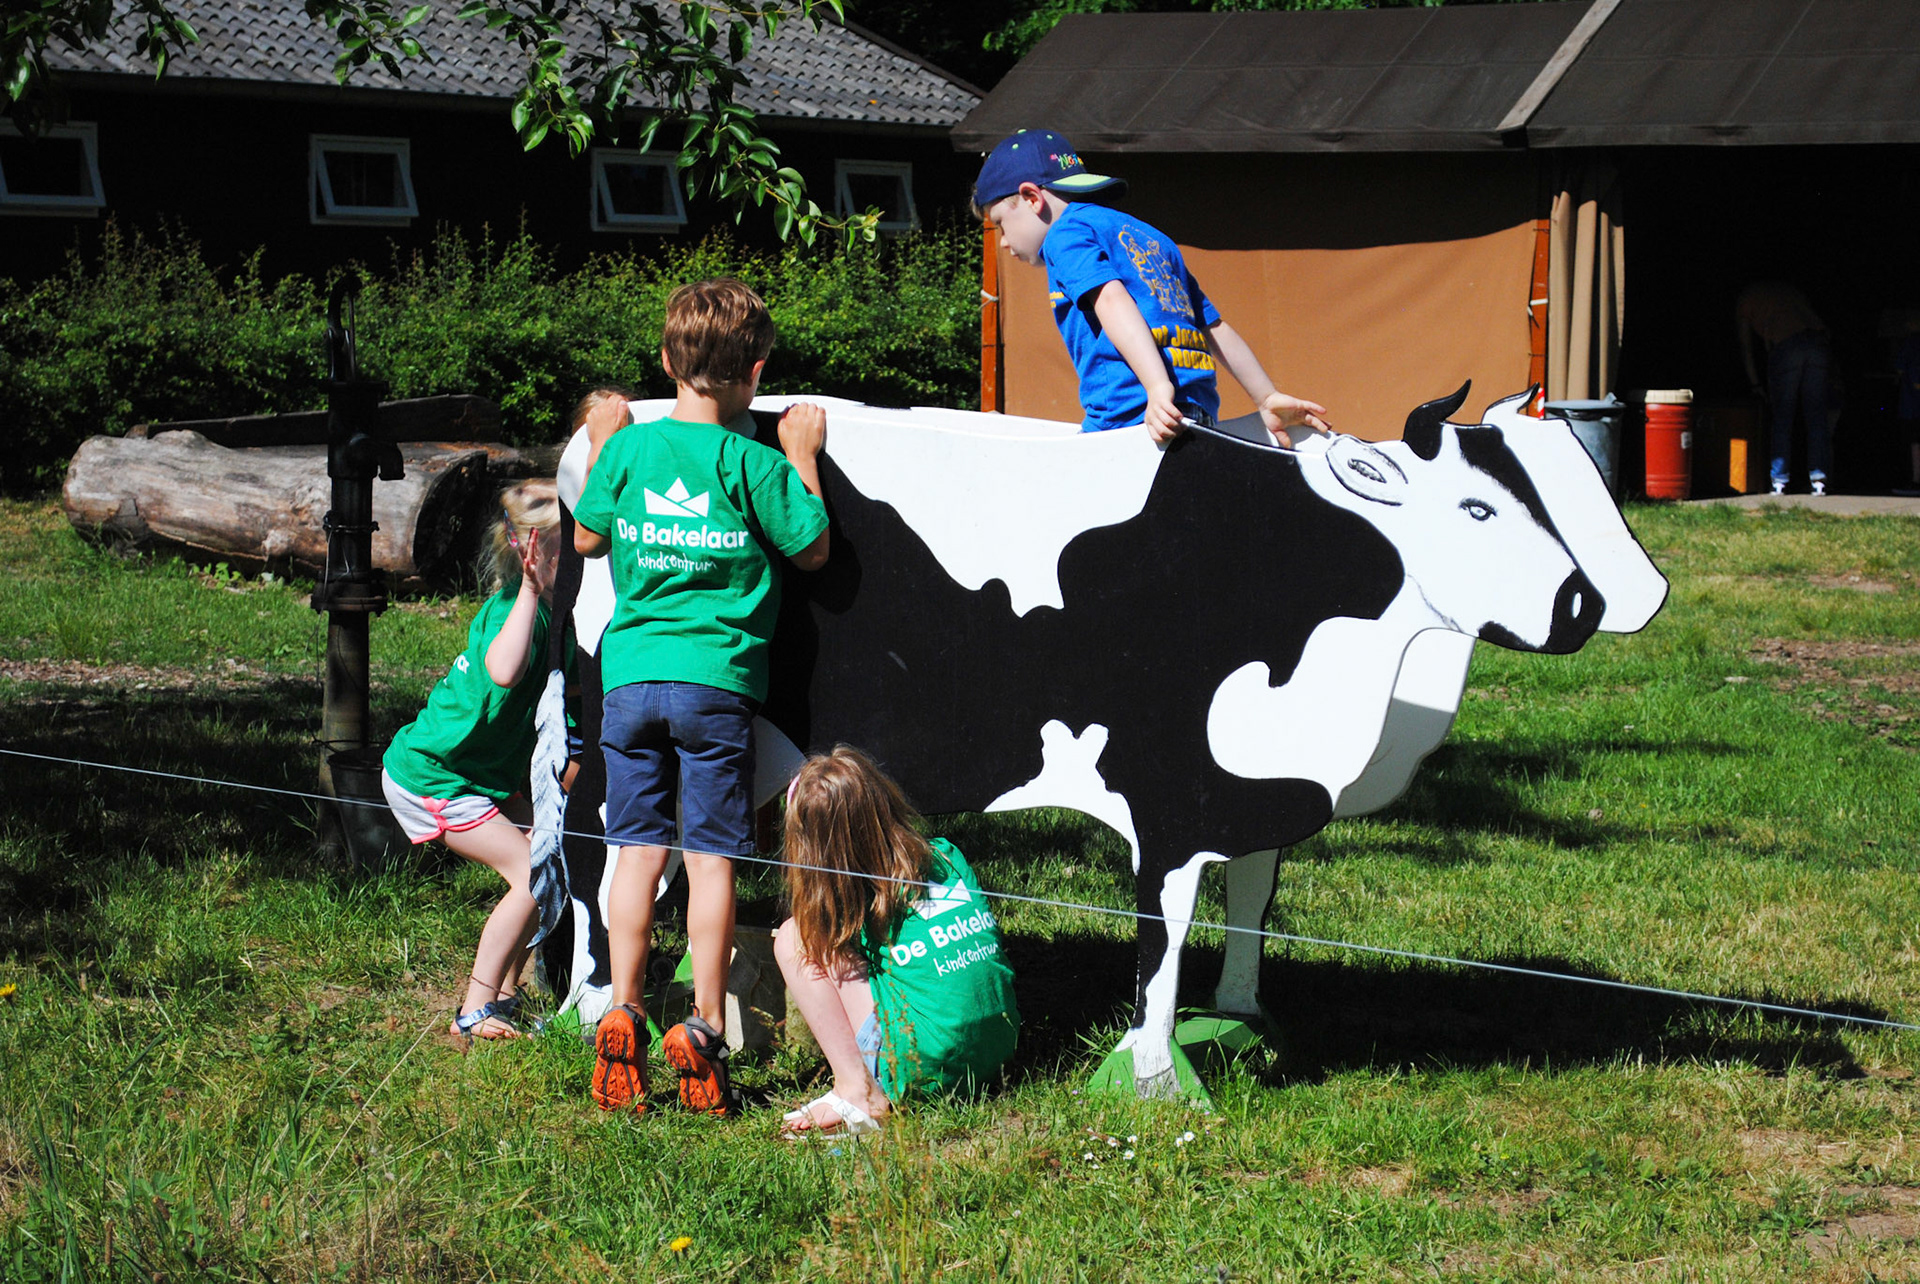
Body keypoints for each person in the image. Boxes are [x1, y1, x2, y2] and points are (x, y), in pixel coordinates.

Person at [573, 278, 831, 1116]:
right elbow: (814, 550)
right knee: (711, 857)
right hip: (715, 685)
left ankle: (623, 1007)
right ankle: (707, 1025)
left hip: (628, 682)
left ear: (665, 360)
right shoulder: (752, 463)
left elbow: (585, 535)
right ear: (756, 373)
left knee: (638, 852)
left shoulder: (630, 451)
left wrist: (603, 437)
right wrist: (802, 454)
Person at [973, 128, 1330, 446]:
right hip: (1196, 413)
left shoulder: (1064, 235)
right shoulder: (1150, 237)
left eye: (1001, 223)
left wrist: (1158, 387)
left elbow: (1111, 300)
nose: (1003, 241)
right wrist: (1266, 397)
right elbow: (1213, 326)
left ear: (1032, 198)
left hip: (1134, 414)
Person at [381, 478, 563, 1042]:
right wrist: (530, 589)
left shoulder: (546, 612)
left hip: (473, 775)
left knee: (550, 856)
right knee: (533, 876)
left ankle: (504, 995)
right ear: (531, 556)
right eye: (569, 549)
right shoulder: (516, 610)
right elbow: (504, 671)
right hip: (432, 775)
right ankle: (477, 1007)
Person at [772, 746, 1019, 1137]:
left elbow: (825, 933)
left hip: (922, 1068)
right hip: (1000, 1047)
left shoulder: (853, 897)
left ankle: (857, 1091)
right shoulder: (947, 856)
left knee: (794, 937)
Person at [1735, 280, 1832, 496]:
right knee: (1816, 416)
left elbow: (1745, 346)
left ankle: (1779, 480)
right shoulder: (1789, 289)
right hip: (1817, 342)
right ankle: (1819, 479)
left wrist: (1755, 383)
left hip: (1786, 344)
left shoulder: (1747, 298)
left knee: (1783, 417)